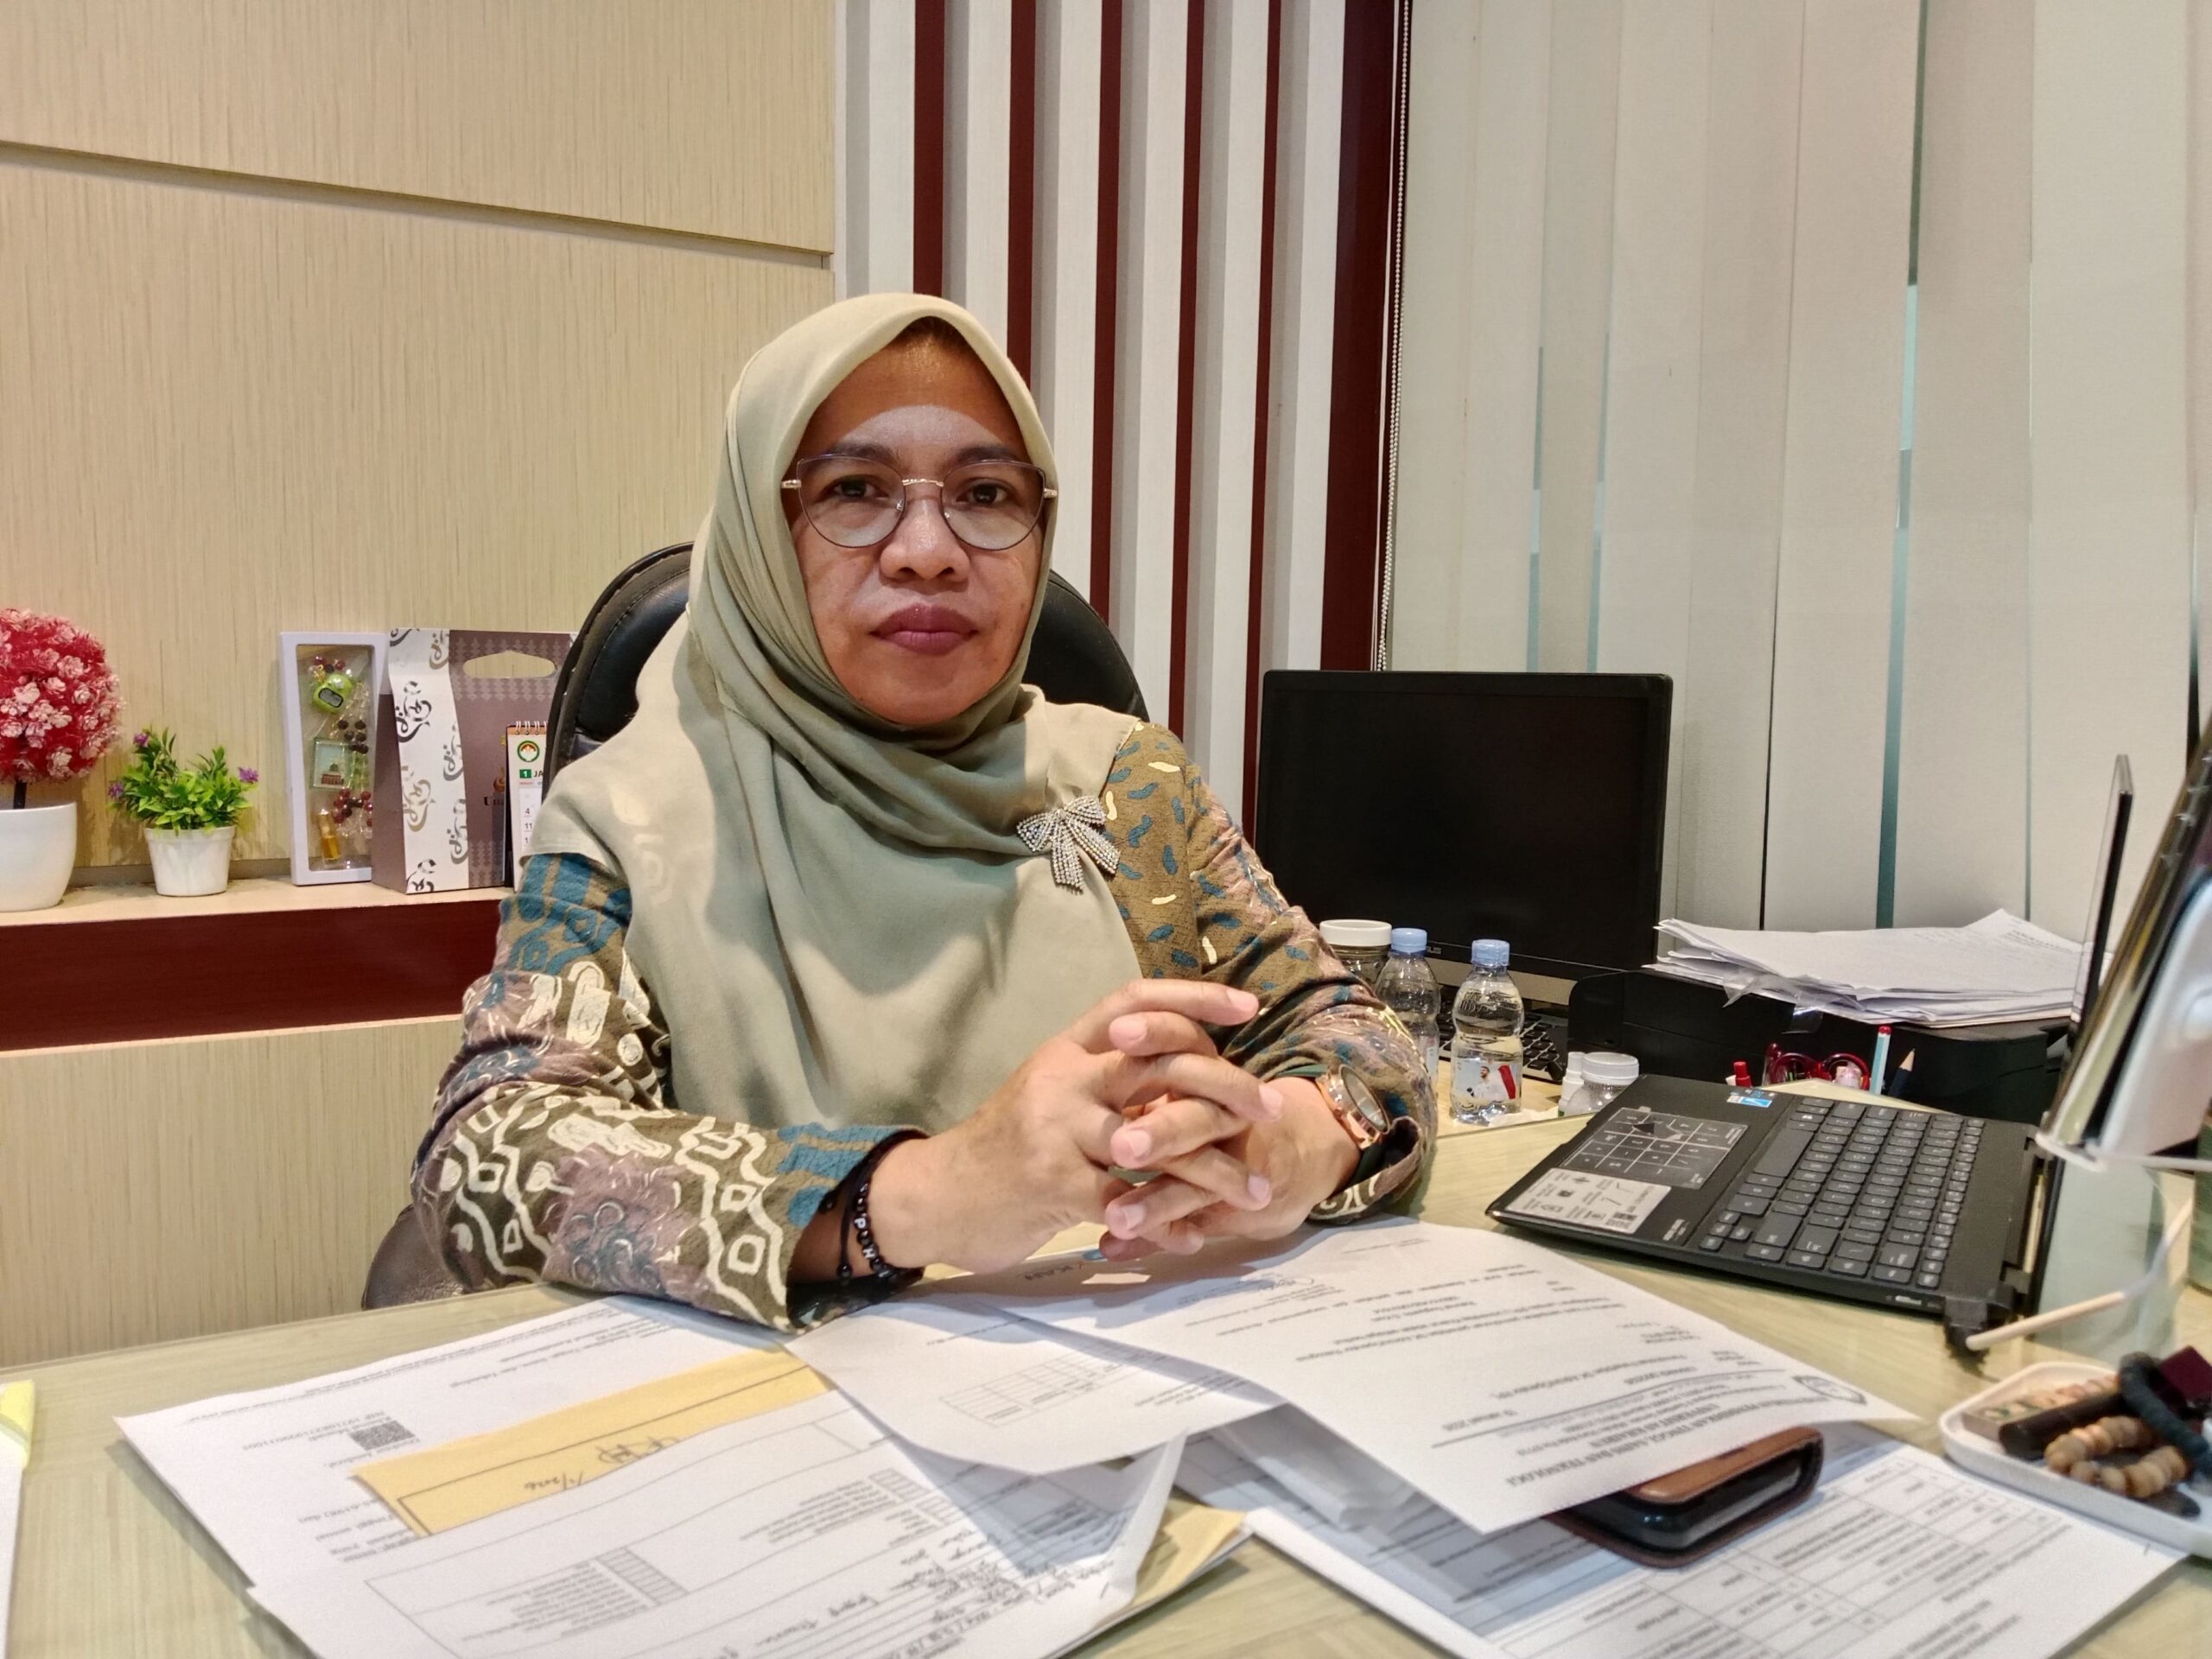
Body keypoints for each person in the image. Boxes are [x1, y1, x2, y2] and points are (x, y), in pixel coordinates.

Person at [412, 293, 1433, 1331]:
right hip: (786, 1398)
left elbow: (1359, 1034)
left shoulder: (1127, 782)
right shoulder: (626, 817)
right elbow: (487, 1155)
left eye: (985, 493)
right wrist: (928, 1194)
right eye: (853, 490)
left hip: (1133, 1368)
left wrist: (1289, 1142)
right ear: (764, 535)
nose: (929, 550)